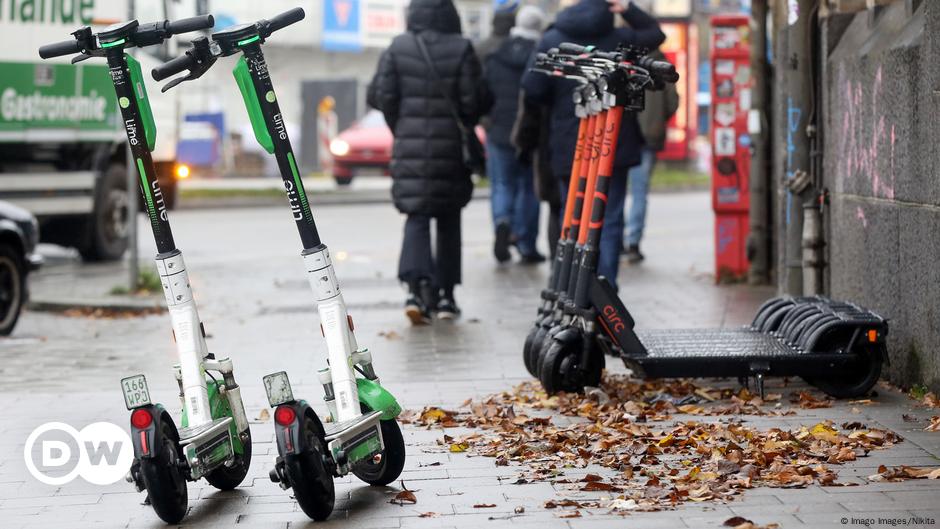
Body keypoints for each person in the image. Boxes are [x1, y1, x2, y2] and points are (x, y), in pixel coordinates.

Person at [519, 0, 665, 288]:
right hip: (614, 143)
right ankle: (605, 290)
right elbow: (655, 33)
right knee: (608, 219)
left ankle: (571, 287)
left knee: (572, 215)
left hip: (568, 143)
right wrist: (628, 9)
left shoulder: (553, 38)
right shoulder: (620, 39)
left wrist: (560, 100)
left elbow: (533, 89)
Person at [369, 0, 492, 325]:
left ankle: (415, 289)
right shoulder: (462, 47)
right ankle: (447, 296)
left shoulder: (399, 46)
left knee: (417, 215)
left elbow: (383, 95)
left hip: (409, 144)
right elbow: (472, 102)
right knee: (449, 218)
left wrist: (402, 125)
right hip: (450, 144)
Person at [483, 5, 547, 264]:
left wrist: (489, 121)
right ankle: (526, 243)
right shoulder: (541, 56)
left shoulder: (496, 55)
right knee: (528, 188)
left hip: (499, 130)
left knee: (501, 184)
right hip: (530, 131)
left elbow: (484, 93)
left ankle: (502, 222)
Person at [623, 49, 679, 263]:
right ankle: (634, 242)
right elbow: (672, 102)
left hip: (622, 133)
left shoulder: (623, 58)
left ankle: (616, 240)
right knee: (639, 191)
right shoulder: (662, 64)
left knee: (615, 189)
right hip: (649, 136)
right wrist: (657, 122)